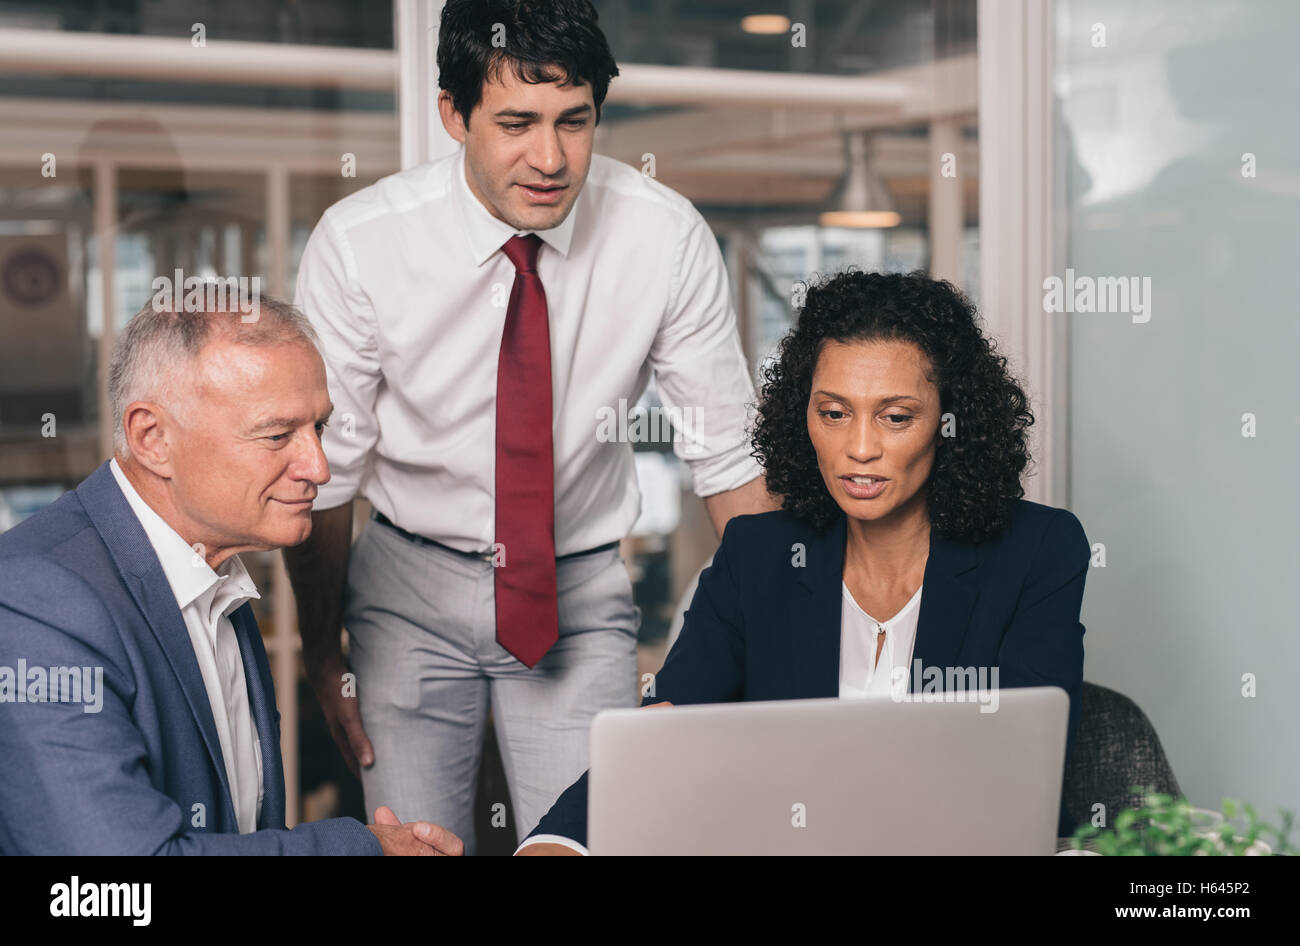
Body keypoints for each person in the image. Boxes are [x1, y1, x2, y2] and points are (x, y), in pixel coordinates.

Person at [286, 0, 779, 854]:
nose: (550, 159)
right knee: (414, 848)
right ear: (454, 114)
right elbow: (328, 474)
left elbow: (729, 459)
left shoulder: (665, 238)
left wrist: (783, 645)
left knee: (592, 842)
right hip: (405, 593)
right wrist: (323, 652)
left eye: (573, 122)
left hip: (577, 591)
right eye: (516, 123)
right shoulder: (361, 245)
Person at [519, 270, 1091, 854]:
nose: (859, 448)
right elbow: (663, 732)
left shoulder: (1037, 550)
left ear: (950, 424)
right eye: (834, 413)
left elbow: (1021, 769)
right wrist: (558, 843)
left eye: (895, 417)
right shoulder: (758, 555)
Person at [0, 294, 462, 855]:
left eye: (319, 427)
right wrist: (361, 850)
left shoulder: (214, 568)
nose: (318, 467)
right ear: (153, 439)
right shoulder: (35, 603)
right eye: (276, 435)